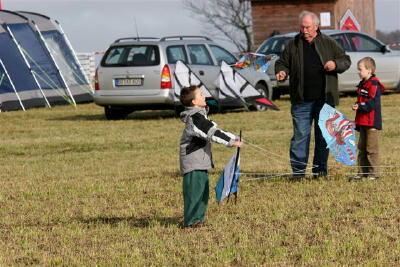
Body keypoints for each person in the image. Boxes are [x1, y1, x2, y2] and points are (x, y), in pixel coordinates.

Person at [275, 10, 351, 178]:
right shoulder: (292, 44)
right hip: (301, 100)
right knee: (300, 137)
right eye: (302, 27)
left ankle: (320, 172)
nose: (304, 31)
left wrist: (335, 64)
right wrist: (281, 72)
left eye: (308, 27)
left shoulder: (328, 42)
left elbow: (346, 60)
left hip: (325, 100)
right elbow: (282, 63)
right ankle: (298, 173)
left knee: (323, 137)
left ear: (316, 26)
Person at [179, 85, 242, 228]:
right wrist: (231, 142)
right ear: (194, 102)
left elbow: (214, 129)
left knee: (203, 191)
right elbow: (211, 133)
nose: (204, 96)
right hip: (193, 163)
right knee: (194, 193)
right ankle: (191, 222)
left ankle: (198, 220)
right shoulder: (194, 118)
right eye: (201, 95)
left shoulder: (200, 116)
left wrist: (234, 137)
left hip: (200, 163)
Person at [349, 57, 384, 182]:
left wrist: (361, 106)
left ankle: (375, 174)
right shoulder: (363, 83)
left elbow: (373, 103)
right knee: (362, 148)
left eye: (360, 69)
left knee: (371, 149)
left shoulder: (374, 84)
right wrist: (356, 104)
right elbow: (361, 100)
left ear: (369, 70)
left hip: (371, 122)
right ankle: (362, 173)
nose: (358, 72)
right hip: (362, 121)